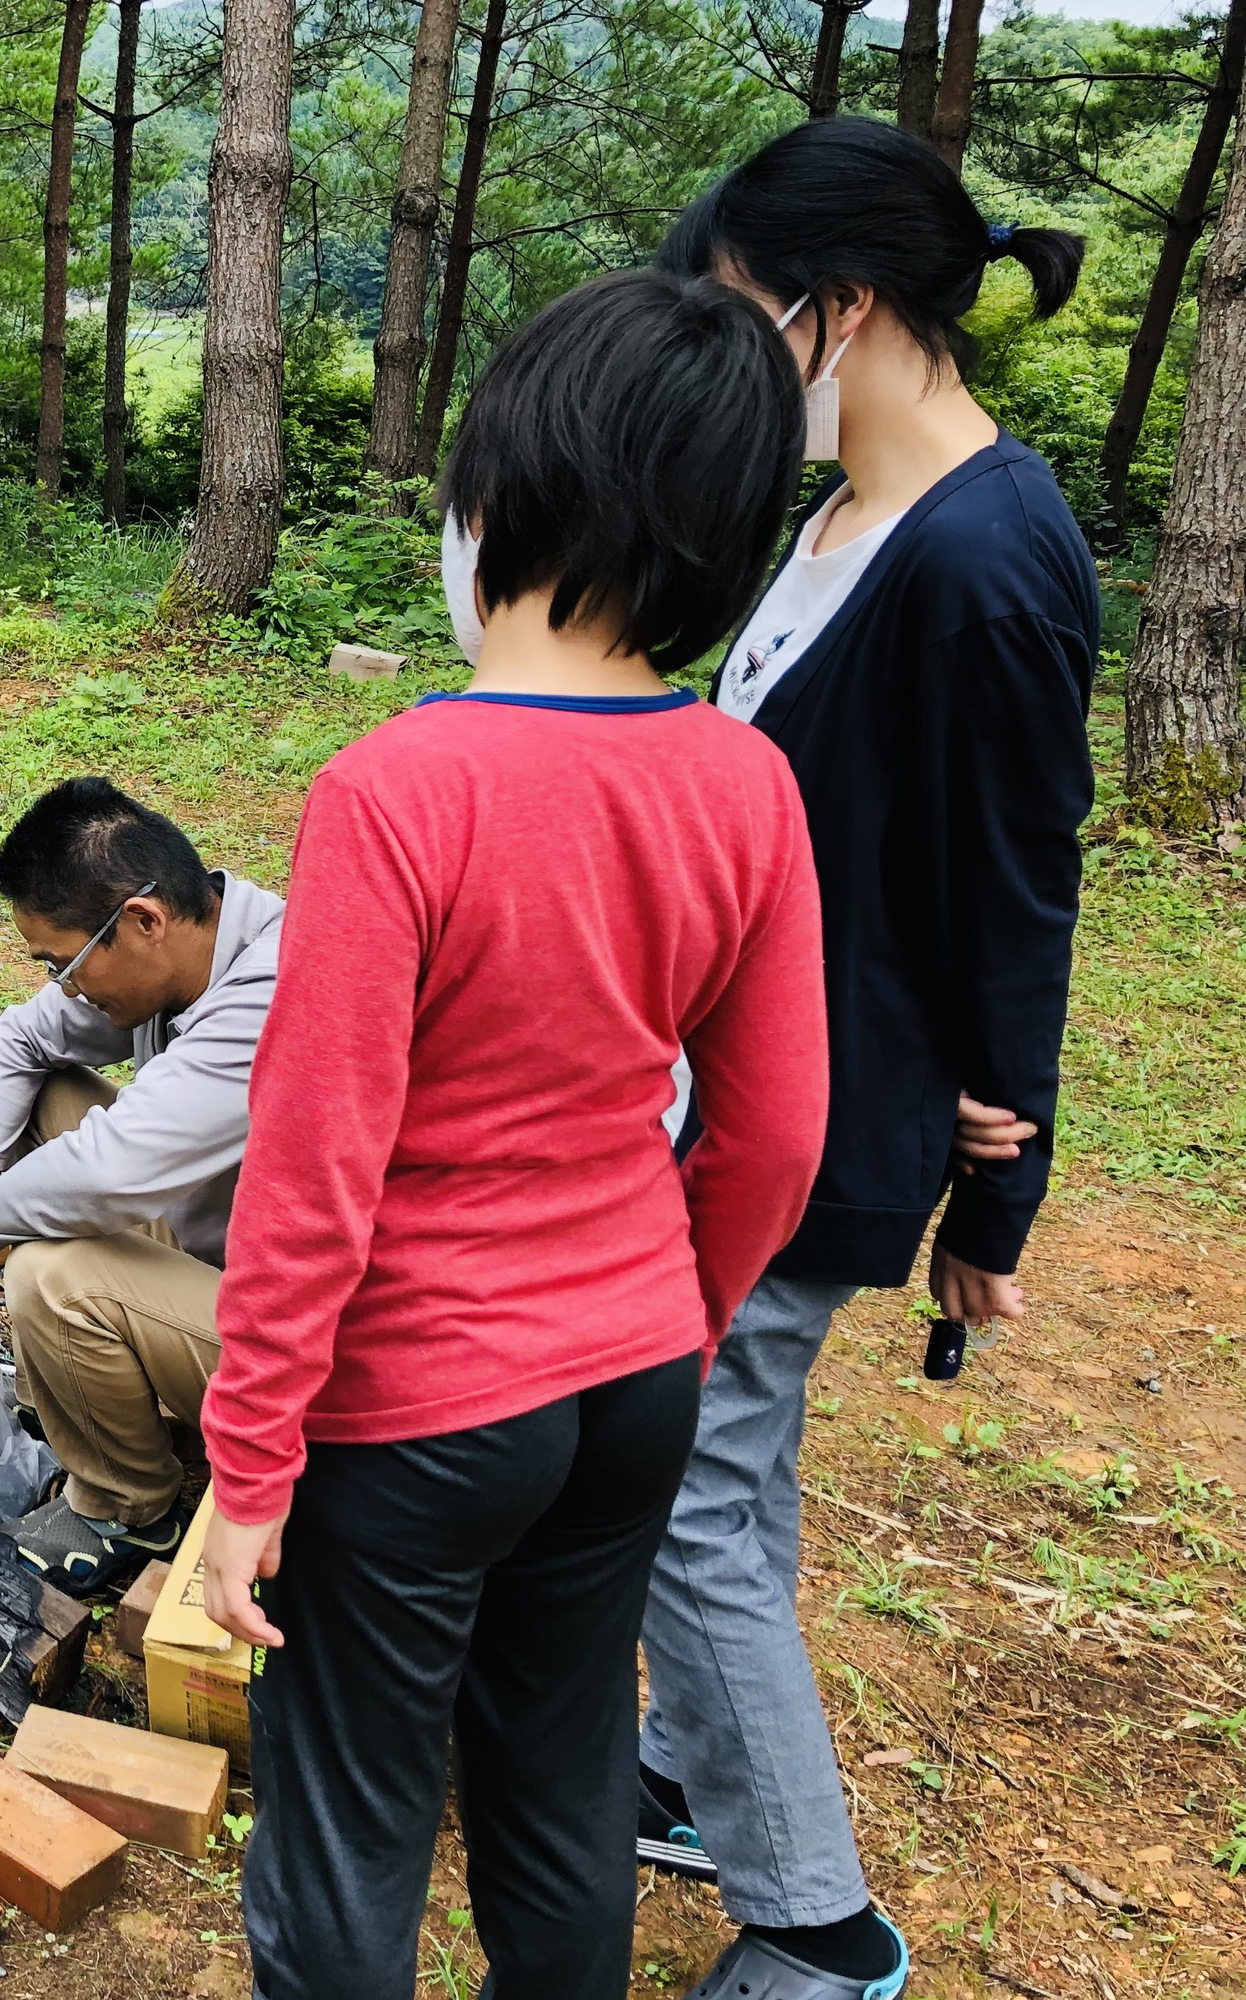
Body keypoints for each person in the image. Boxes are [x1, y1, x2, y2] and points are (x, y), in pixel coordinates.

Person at [191, 269, 830, 1998]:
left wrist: (251, 1469)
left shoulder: (398, 790)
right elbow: (773, 1135)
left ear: (497, 494)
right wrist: (669, 1322)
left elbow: (315, 1172)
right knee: (559, 1802)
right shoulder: (744, 784)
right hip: (629, 1385)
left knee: (349, 1829)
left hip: (418, 1413)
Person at [631, 118, 1097, 2000]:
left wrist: (1002, 1175)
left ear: (838, 311)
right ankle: (690, 1755)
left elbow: (1013, 890)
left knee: (687, 1493)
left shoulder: (989, 556)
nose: (731, 364)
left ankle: (820, 1927)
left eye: (740, 318)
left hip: (833, 1113)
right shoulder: (836, 524)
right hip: (742, 1083)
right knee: (732, 1472)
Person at [0, 778, 286, 1594]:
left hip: (314, 1359)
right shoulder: (197, 940)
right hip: (223, 1253)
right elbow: (20, 1040)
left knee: (54, 1273)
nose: (63, 990)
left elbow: (109, 1169)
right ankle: (110, 1393)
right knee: (46, 1097)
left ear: (143, 922)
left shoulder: (273, 997)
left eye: (66, 966)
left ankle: (127, 1508)